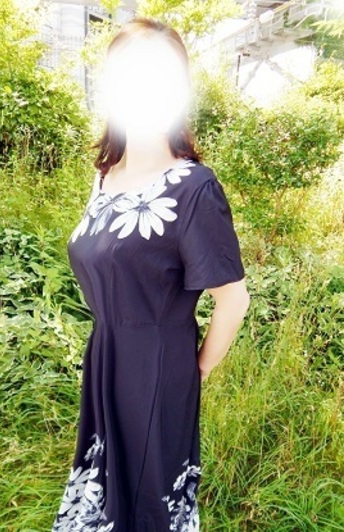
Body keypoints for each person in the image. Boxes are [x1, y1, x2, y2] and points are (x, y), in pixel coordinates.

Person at [52, 16, 250, 532]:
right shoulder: (105, 176)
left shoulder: (192, 188)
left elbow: (233, 300)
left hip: (159, 368)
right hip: (106, 358)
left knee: (149, 502)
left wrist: (194, 370)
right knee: (104, 492)